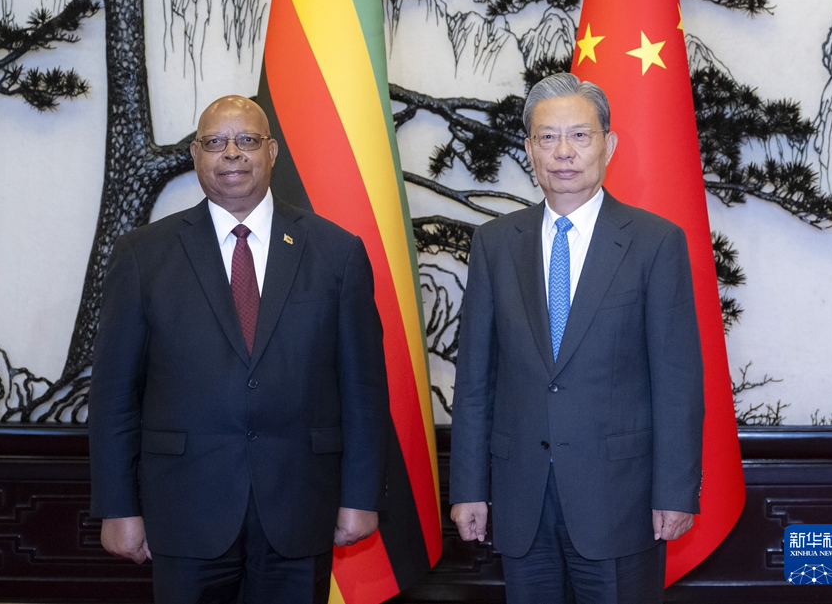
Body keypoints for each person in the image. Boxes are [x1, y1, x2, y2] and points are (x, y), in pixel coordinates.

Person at [89, 95, 390, 604]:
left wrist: (360, 497)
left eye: (247, 140)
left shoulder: (337, 253)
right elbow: (114, 395)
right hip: (183, 510)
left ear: (272, 151)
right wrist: (118, 507)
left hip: (300, 506)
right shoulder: (143, 255)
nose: (232, 152)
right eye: (215, 142)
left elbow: (364, 389)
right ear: (195, 154)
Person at [449, 73, 704, 604]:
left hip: (621, 499)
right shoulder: (495, 244)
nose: (563, 152)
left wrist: (675, 491)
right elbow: (474, 380)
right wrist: (469, 487)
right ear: (529, 150)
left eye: (580, 136)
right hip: (520, 498)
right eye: (547, 137)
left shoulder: (655, 243)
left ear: (609, 145)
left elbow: (677, 383)